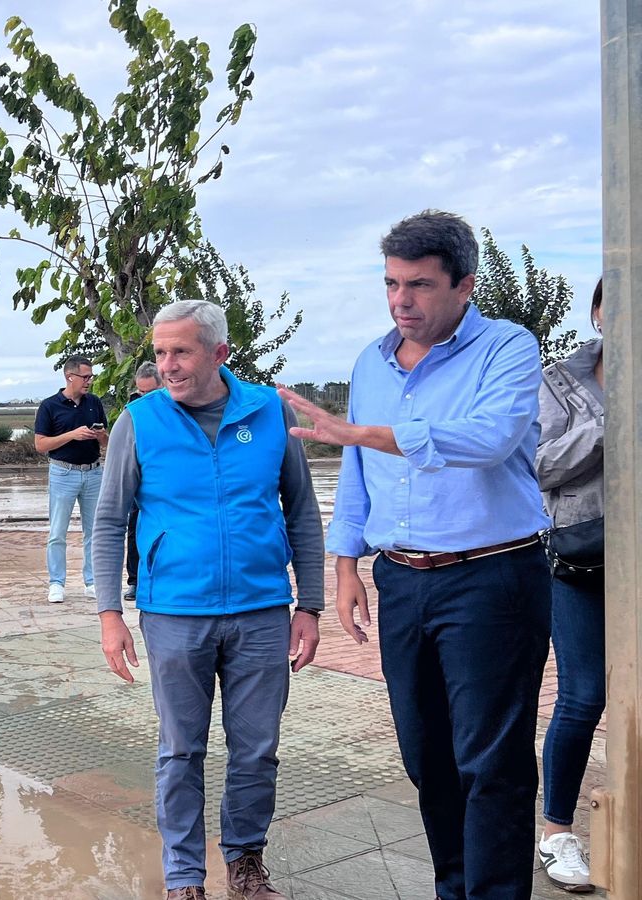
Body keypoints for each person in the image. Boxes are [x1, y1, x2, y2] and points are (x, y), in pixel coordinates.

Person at [279, 210, 550, 900]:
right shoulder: (371, 361)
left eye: (421, 286)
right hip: (402, 579)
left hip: (492, 577)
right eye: (393, 284)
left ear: (465, 284)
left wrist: (365, 431)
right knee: (426, 755)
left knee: (490, 761)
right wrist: (345, 568)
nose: (402, 301)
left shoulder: (508, 348)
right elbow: (361, 474)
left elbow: (488, 438)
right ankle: (452, 887)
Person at [94, 299, 323, 900]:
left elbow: (300, 511)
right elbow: (110, 520)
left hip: (261, 611)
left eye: (181, 351)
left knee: (257, 749)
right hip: (172, 613)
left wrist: (311, 604)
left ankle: (245, 864)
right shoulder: (138, 422)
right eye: (160, 352)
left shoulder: (270, 412)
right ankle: (184, 877)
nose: (167, 365)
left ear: (219, 353)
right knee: (180, 750)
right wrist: (109, 614)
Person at [535, 281, 605, 893]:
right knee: (585, 695)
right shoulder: (560, 380)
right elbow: (540, 465)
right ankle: (557, 832)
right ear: (599, 312)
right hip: (581, 559)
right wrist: (611, 425)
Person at [34, 354, 109, 603]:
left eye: (91, 377)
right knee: (57, 532)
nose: (89, 381)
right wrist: (72, 435)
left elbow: (107, 441)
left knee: (94, 532)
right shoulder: (49, 406)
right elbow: (41, 444)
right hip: (62, 472)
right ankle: (57, 582)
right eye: (85, 376)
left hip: (93, 472)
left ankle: (92, 581)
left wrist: (100, 437)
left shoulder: (94, 403)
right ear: (70, 376)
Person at [122, 362, 162, 603]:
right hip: (140, 479)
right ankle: (135, 581)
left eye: (150, 393)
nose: (144, 398)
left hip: (165, 481)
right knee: (133, 527)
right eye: (140, 392)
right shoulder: (134, 412)